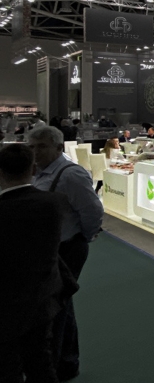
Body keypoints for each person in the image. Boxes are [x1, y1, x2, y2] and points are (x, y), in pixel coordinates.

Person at [29, 127, 104, 381]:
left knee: (55, 306)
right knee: (62, 302)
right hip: (50, 248)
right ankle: (67, 363)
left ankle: (55, 364)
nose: (35, 152)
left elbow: (92, 211)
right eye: (32, 147)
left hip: (68, 248)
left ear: (59, 148)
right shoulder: (38, 173)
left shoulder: (70, 175)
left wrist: (84, 236)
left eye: (42, 147)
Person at [0, 144, 78, 383]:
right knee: (40, 360)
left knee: (7, 364)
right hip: (43, 296)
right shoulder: (54, 203)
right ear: (33, 169)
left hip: (6, 300)